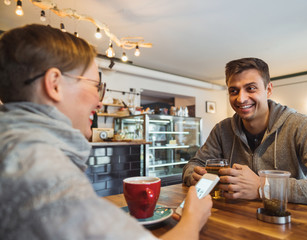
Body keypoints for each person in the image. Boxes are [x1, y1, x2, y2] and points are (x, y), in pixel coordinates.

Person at [0, 24, 212, 240]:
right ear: (54, 84)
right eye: (96, 86)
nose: (99, 102)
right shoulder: (40, 169)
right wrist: (193, 218)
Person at [183, 57, 307, 209]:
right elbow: (192, 166)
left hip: (292, 224)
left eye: (250, 88)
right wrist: (194, 175)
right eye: (233, 91)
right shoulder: (222, 130)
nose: (241, 98)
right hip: (234, 223)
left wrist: (264, 186)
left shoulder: (301, 125)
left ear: (268, 90)